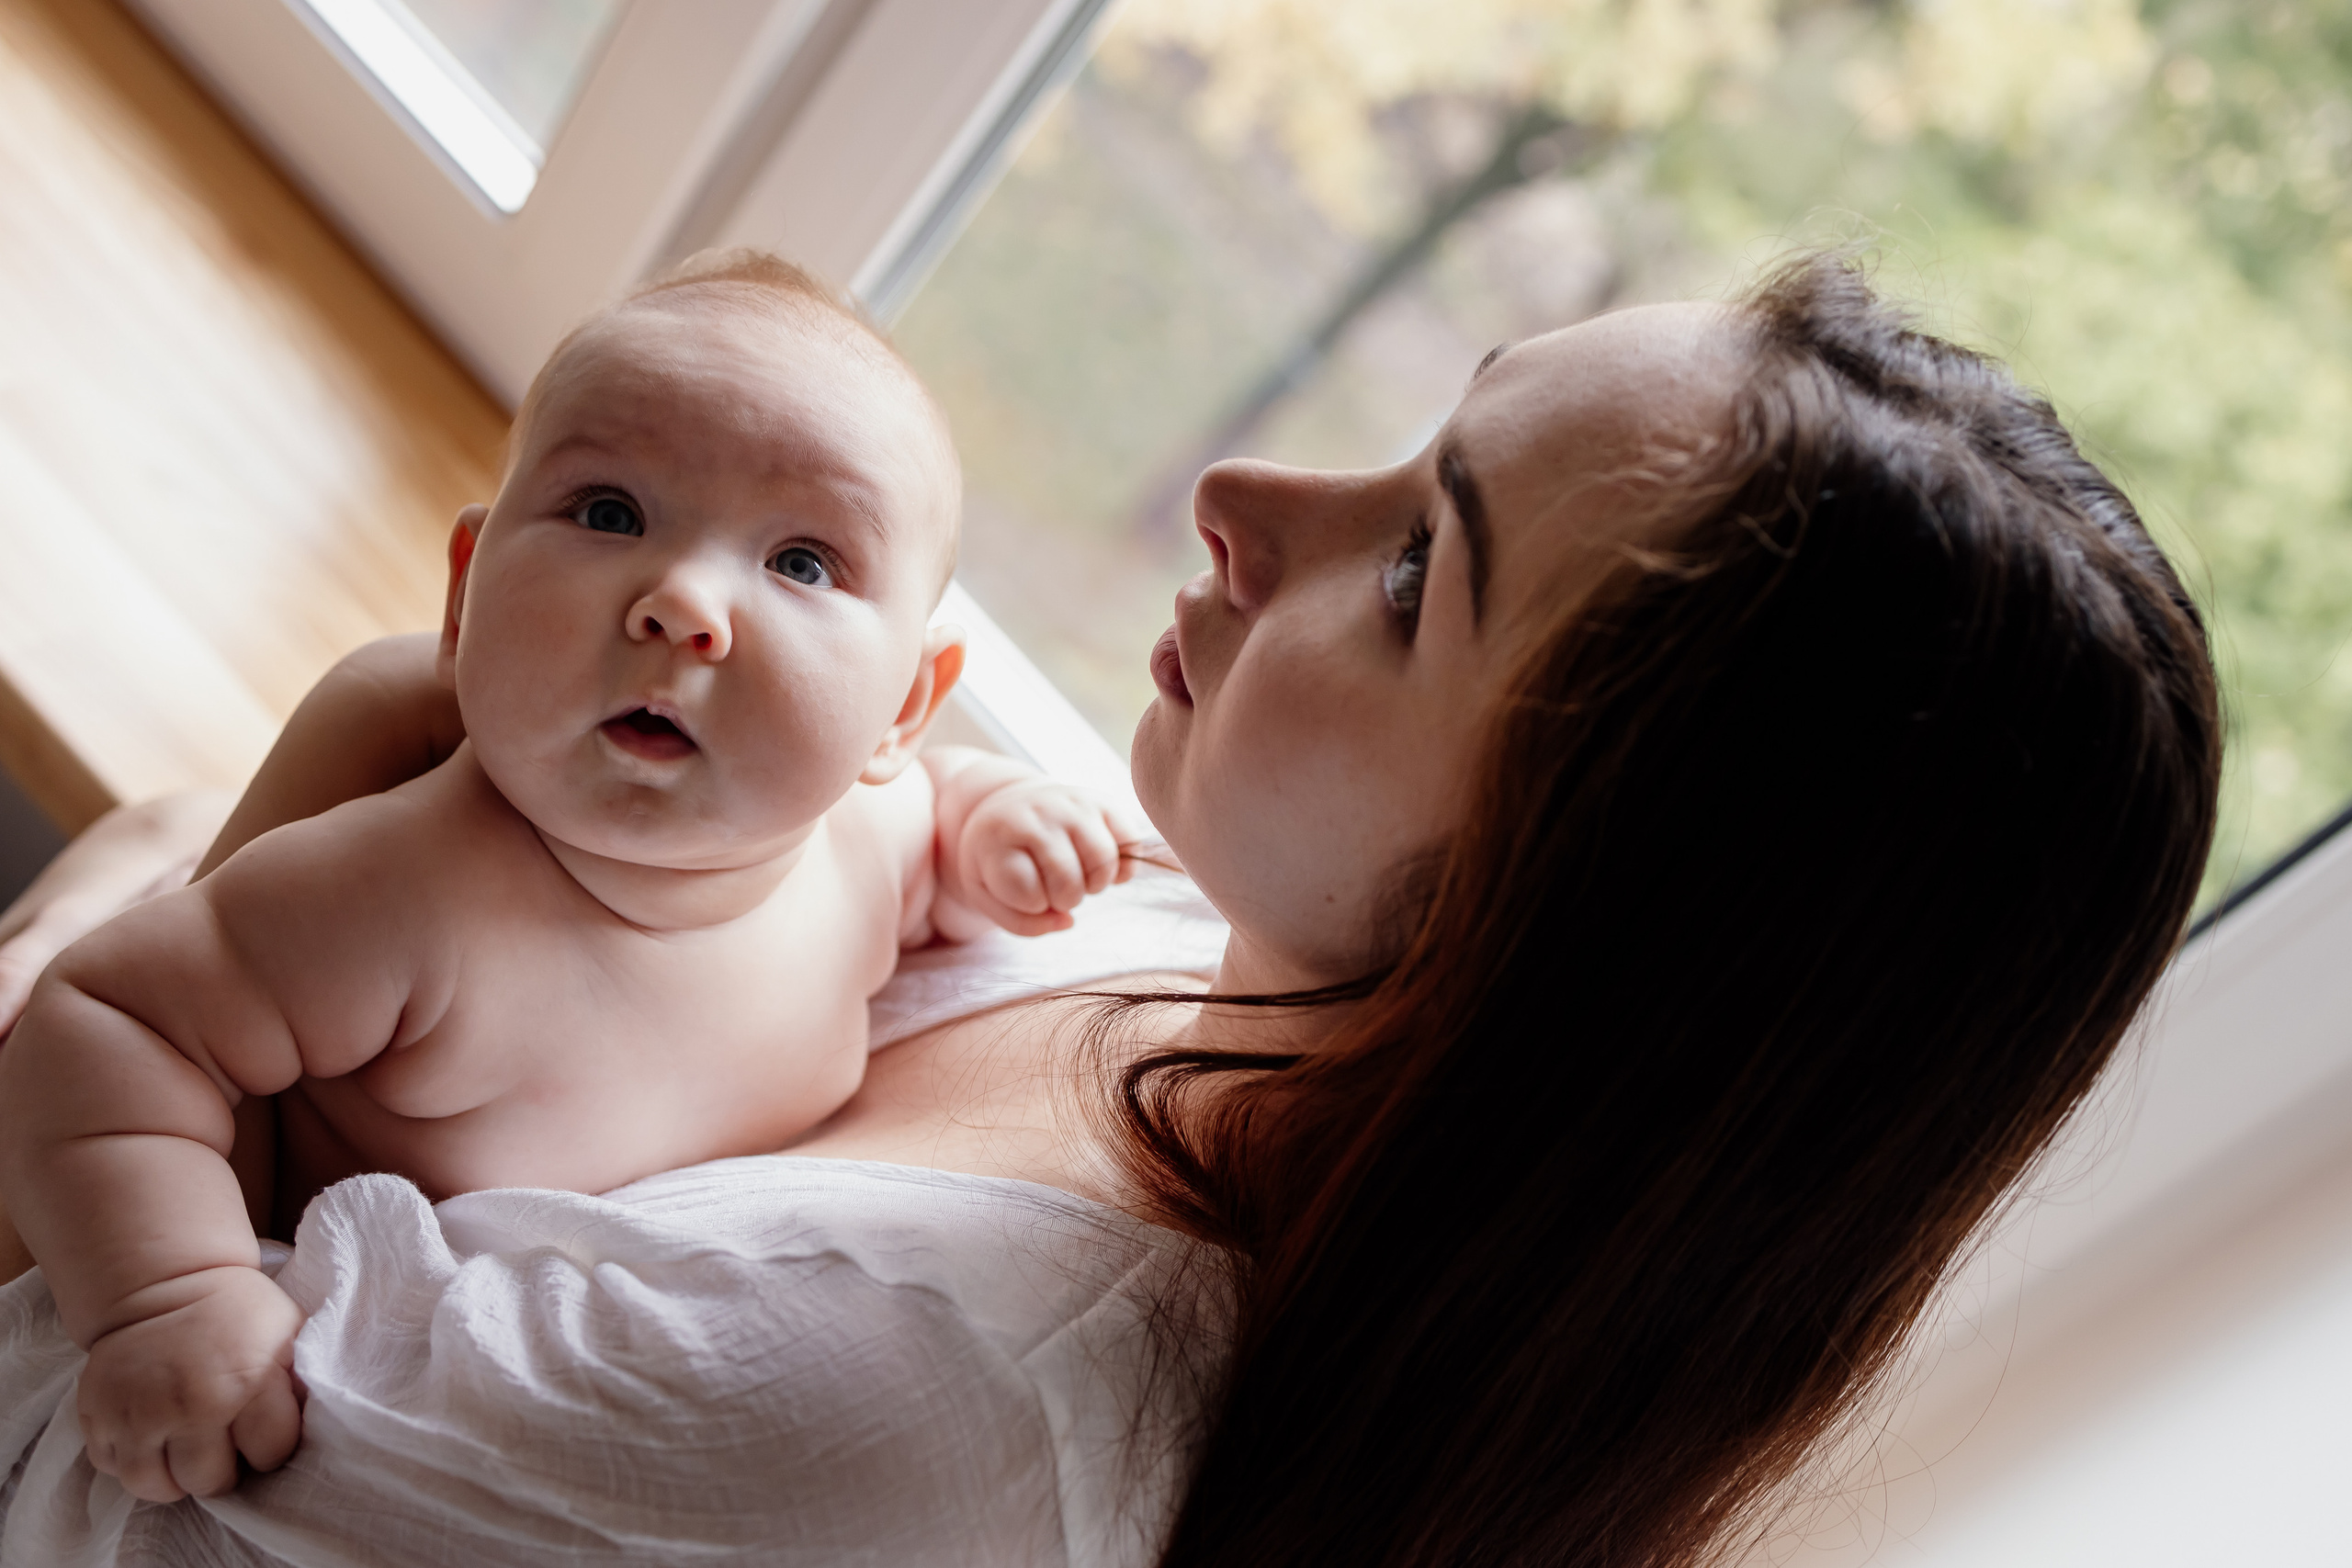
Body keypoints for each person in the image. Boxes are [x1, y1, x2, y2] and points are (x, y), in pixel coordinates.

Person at [0, 254, 2219, 1568]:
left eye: (1413, 569)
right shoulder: (1175, 932)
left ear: (1566, 937)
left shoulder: (879, 1410)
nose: (1244, 501)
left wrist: (242, 815)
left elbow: (60, 1442)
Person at [0, 250, 1144, 1506]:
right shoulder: (405, 897)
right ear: (464, 593)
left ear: (905, 711)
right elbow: (106, 1021)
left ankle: (167, 833)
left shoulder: (871, 841)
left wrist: (999, 828)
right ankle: (160, 843)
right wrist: (170, 1291)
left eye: (802, 562)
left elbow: (942, 816)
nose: (682, 602)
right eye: (609, 511)